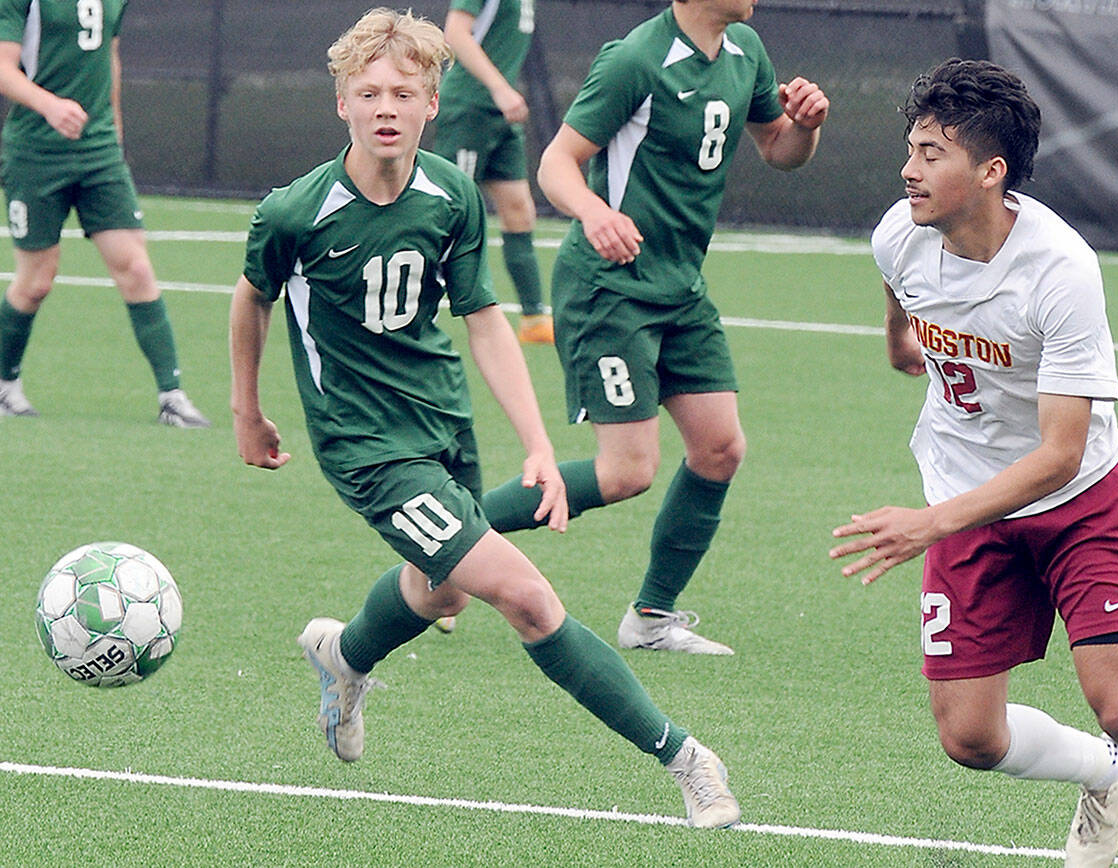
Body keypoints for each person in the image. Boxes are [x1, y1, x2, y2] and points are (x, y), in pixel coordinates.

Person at [228, 7, 739, 829]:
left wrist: (538, 444)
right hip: (365, 447)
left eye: (404, 91)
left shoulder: (452, 195)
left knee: (441, 597)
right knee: (527, 599)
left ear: (434, 103)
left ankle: (344, 655)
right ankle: (686, 758)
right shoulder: (295, 212)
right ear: (342, 105)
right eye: (368, 92)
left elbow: (486, 322)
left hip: (443, 424)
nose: (385, 106)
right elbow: (250, 300)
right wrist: (246, 410)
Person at [829, 58, 1118, 868]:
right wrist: (902, 342)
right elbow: (899, 296)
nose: (909, 167)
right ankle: (1105, 777)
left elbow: (1059, 453)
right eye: (911, 146)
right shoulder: (900, 232)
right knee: (969, 738)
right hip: (964, 497)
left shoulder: (1061, 270)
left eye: (932, 152)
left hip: (1075, 502)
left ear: (991, 171)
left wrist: (926, 525)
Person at [479, 0, 829, 655]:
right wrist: (593, 213)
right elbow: (557, 163)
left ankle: (650, 619)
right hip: (610, 291)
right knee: (626, 472)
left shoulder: (745, 50)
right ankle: (454, 536)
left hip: (680, 289)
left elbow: (779, 150)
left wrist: (805, 126)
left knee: (720, 448)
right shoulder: (637, 59)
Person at [0, 0, 209, 426]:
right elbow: (4, 67)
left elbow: (108, 56)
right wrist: (50, 105)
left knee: (136, 269)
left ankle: (172, 397)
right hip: (36, 154)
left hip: (98, 152)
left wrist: (114, 133)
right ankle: (5, 387)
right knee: (36, 281)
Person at [433, 0, 552, 345]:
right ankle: (410, 305)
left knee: (519, 209)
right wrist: (499, 87)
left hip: (499, 115)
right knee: (448, 211)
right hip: (470, 107)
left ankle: (533, 321)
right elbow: (455, 32)